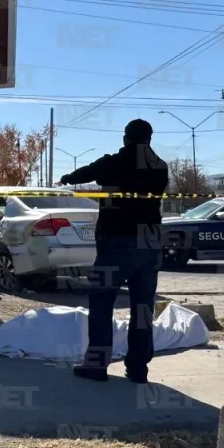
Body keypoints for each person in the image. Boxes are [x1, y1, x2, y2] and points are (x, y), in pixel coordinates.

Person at [58, 119, 169, 383]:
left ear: (125, 138)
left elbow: (88, 172)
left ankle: (96, 365)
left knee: (101, 302)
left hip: (118, 241)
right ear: (150, 139)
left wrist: (66, 178)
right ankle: (139, 368)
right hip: (150, 243)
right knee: (143, 308)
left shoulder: (115, 162)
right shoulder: (161, 167)